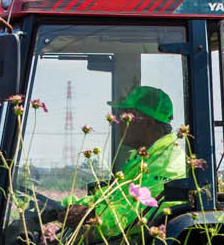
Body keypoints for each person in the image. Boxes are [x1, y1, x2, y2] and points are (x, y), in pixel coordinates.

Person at [63, 85, 189, 236]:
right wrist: (68, 205)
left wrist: (89, 215)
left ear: (148, 122)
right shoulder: (143, 157)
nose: (119, 121)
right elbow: (110, 196)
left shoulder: (167, 163)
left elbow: (131, 214)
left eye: (126, 115)